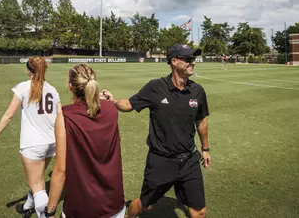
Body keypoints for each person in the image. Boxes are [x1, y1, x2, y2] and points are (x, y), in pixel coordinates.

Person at [102, 43, 210, 218]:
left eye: (194, 59)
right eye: (189, 59)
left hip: (189, 160)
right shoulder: (156, 87)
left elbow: (202, 120)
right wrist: (113, 102)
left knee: (199, 212)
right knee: (144, 206)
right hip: (161, 161)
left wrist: (205, 149)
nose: (193, 62)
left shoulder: (197, 91)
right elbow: (129, 104)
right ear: (174, 61)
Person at [0, 57, 61, 218]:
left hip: (33, 144)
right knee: (37, 179)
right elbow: (60, 117)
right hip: (52, 143)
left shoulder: (24, 87)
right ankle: (27, 207)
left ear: (28, 70)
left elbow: (8, 115)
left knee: (37, 184)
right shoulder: (53, 90)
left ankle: (46, 215)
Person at [46, 64, 125, 218]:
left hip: (82, 208)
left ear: (70, 86)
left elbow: (60, 170)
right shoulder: (111, 109)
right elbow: (117, 140)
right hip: (114, 205)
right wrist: (109, 102)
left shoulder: (65, 115)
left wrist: (50, 211)